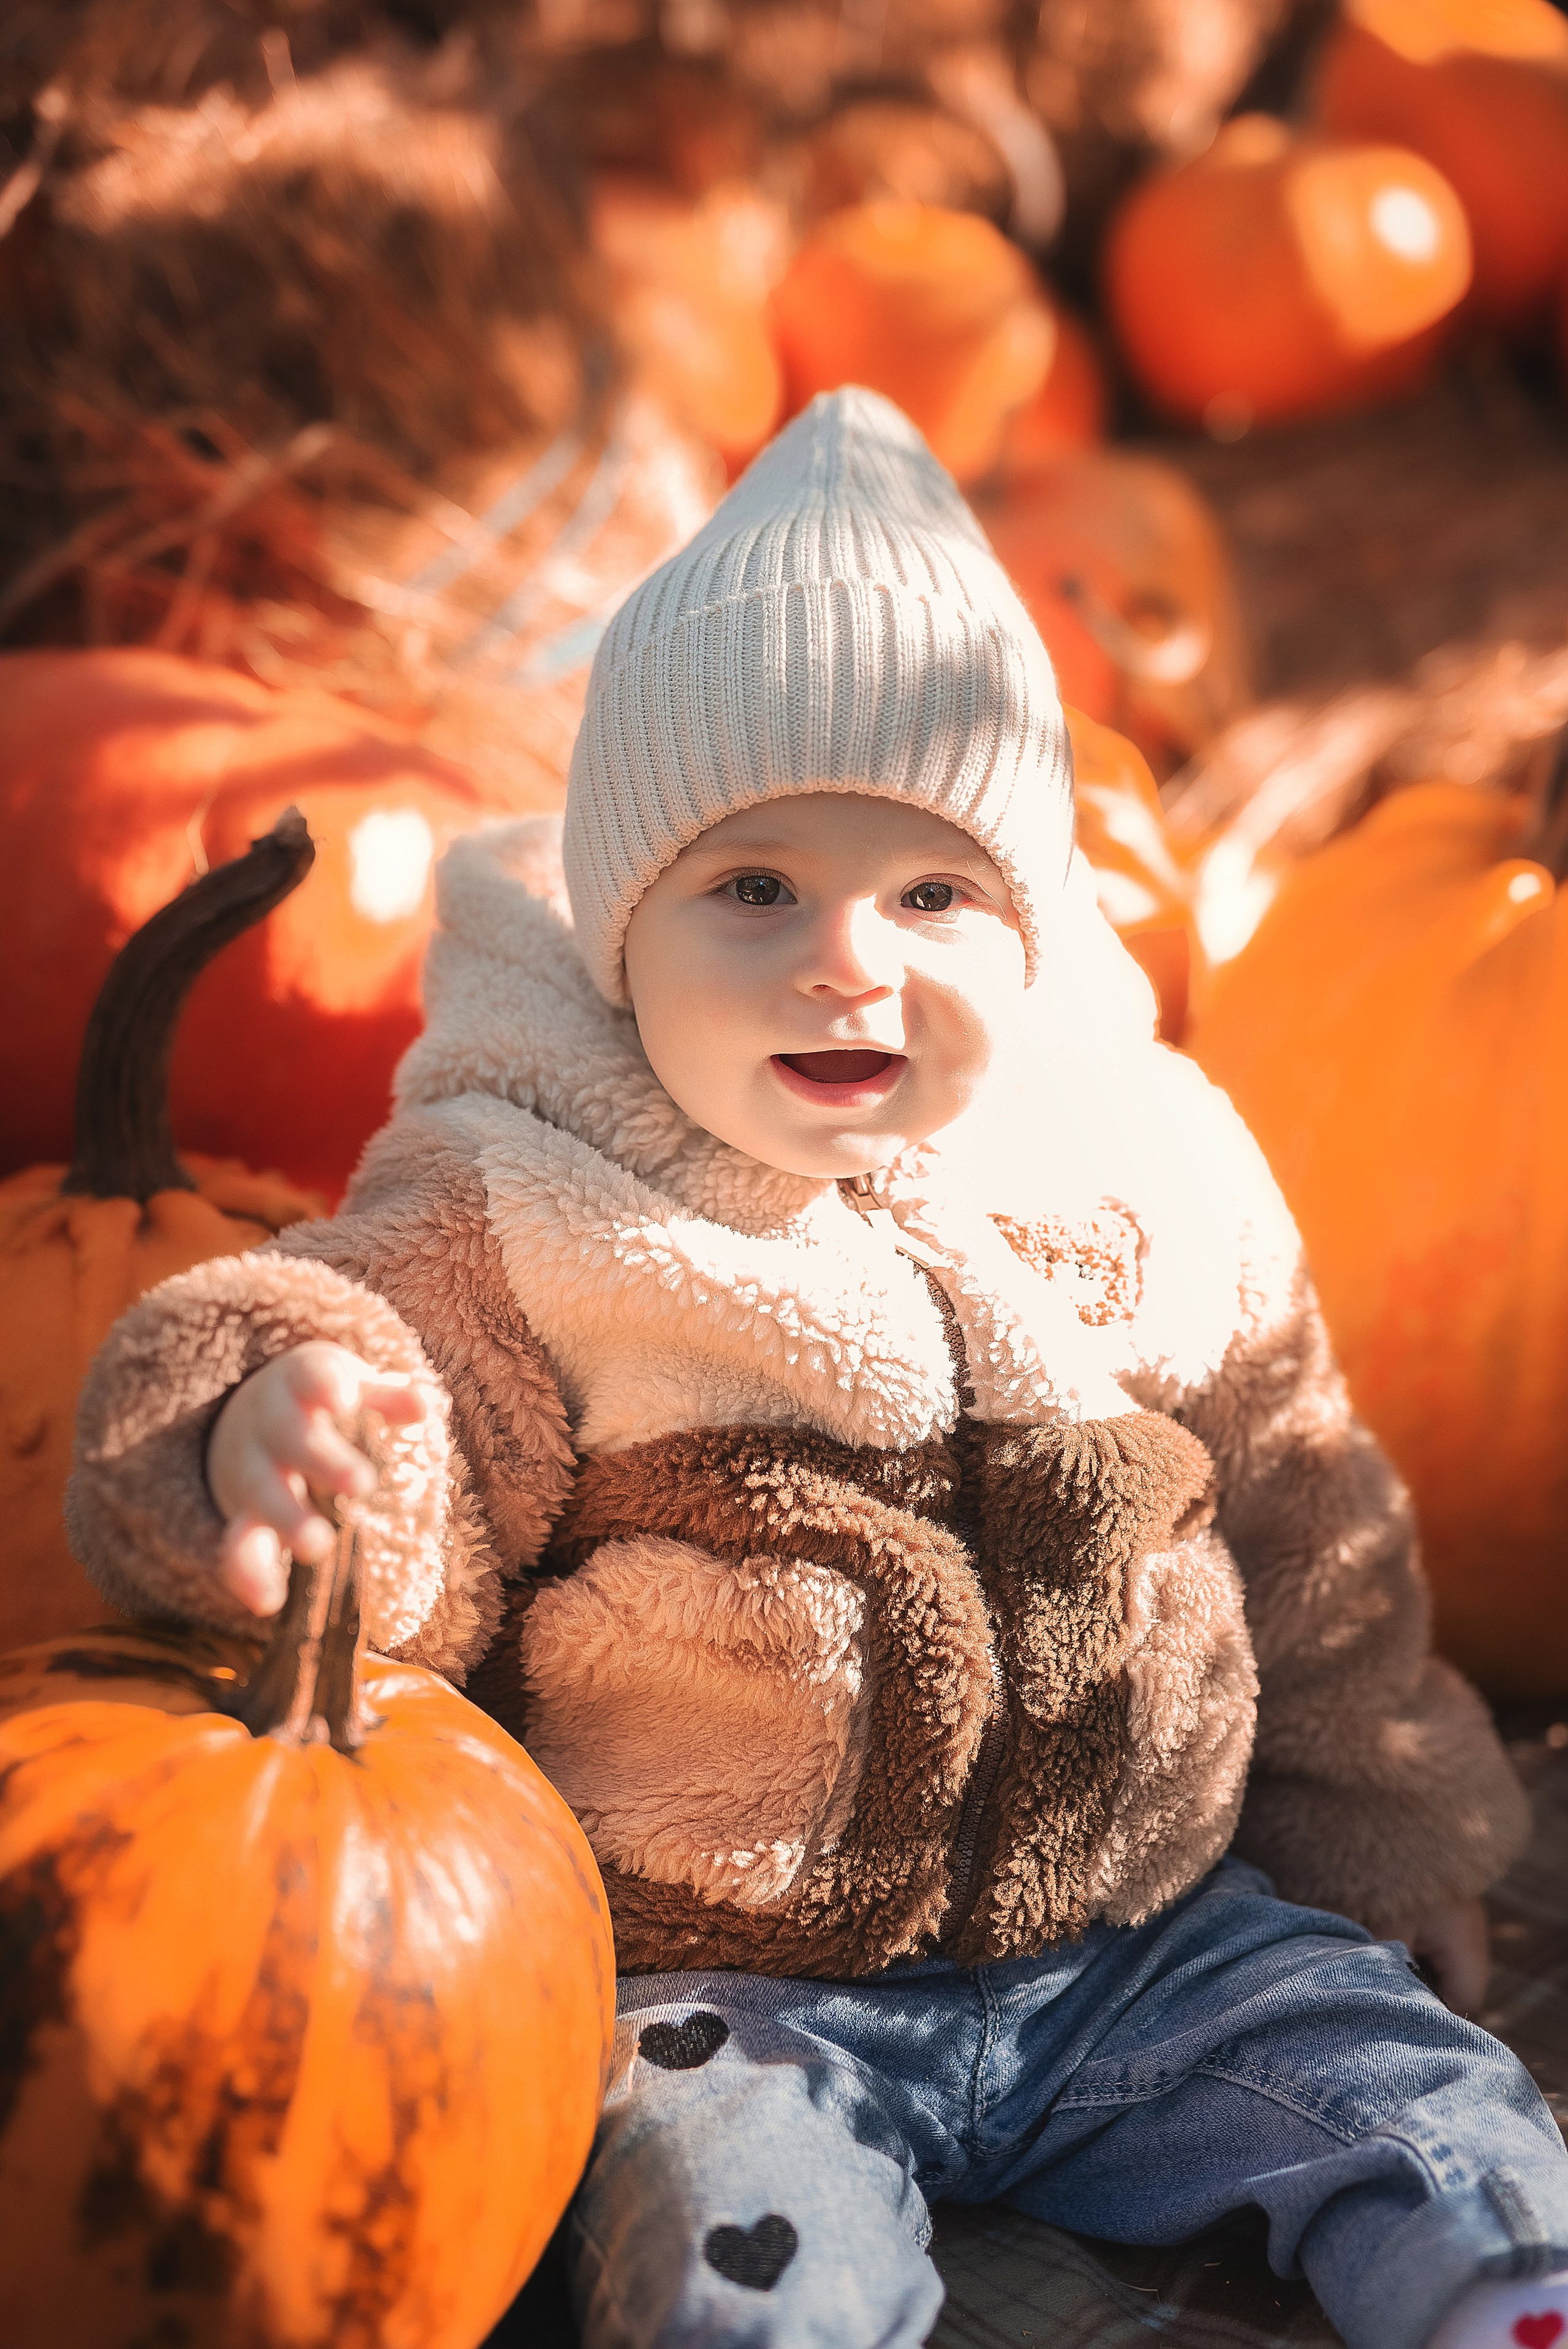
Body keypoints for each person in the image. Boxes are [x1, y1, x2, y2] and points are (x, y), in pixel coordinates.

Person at [70, 390, 1568, 2349]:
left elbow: (1304, 1503)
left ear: (1028, 929)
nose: (847, 960)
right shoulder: (534, 1190)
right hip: (737, 1978)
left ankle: (1504, 2302)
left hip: (1141, 1939)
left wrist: (1394, 1816)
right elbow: (395, 1365)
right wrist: (277, 1416)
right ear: (624, 937)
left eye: (932, 891)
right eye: (753, 888)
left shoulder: (1153, 1162)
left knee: (1424, 2103)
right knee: (723, 2236)